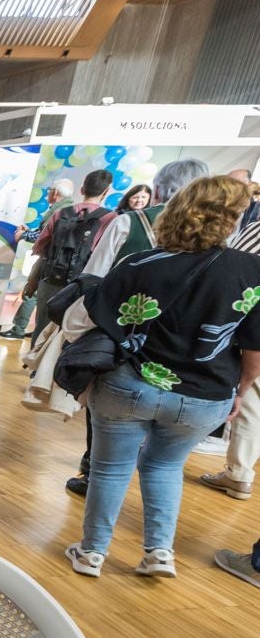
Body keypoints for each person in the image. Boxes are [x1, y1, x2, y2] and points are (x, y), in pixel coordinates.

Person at [65, 176, 260, 579]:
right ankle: (158, 553)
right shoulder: (251, 271)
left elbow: (95, 316)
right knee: (165, 467)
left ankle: (91, 553)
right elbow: (254, 348)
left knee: (110, 469)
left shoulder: (141, 263)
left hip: (128, 384)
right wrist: (241, 391)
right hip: (206, 395)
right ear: (232, 220)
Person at [61, 158, 212, 496]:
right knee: (165, 452)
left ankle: (93, 471)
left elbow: (94, 279)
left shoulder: (128, 224)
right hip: (186, 348)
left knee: (109, 410)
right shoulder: (218, 238)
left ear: (158, 189)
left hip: (123, 340)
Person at [2, 168, 113, 343]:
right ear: (106, 192)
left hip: (51, 277)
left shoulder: (61, 213)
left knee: (42, 326)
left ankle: (35, 368)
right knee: (71, 333)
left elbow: (40, 246)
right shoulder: (110, 218)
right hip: (84, 283)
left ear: (82, 190)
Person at [199, 211, 260, 502]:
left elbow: (234, 271)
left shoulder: (256, 230)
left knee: (250, 401)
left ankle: (239, 474)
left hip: (252, 331)